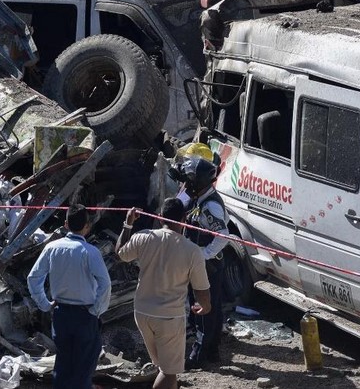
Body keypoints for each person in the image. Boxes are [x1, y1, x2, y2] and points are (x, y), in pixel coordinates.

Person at [116, 199, 212, 389]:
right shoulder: (192, 251)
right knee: (168, 373)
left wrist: (128, 224)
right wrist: (206, 306)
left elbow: (119, 254)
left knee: (163, 367)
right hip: (168, 318)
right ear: (184, 219)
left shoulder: (143, 237)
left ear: (160, 218)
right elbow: (201, 290)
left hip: (142, 313)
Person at [27, 204, 111, 389]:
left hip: (61, 314)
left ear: (65, 224)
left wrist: (45, 304)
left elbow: (34, 278)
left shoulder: (52, 248)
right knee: (83, 368)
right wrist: (96, 310)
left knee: (63, 366)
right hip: (84, 315)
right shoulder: (90, 251)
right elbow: (105, 284)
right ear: (87, 226)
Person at [171, 157, 229, 369]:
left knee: (202, 308)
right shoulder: (200, 196)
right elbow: (179, 204)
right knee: (211, 308)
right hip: (201, 264)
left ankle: (199, 352)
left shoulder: (210, 205)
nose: (186, 184)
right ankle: (212, 348)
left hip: (207, 266)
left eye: (189, 181)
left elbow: (223, 234)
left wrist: (202, 254)